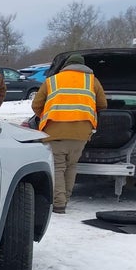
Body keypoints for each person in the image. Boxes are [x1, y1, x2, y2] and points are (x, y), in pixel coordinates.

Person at [31, 53, 107, 214]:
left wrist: (46, 115)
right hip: (81, 133)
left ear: (66, 65)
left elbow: (36, 105)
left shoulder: (53, 80)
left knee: (58, 167)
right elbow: (102, 104)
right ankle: (65, 198)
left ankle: (59, 203)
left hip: (55, 131)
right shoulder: (92, 81)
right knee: (71, 165)